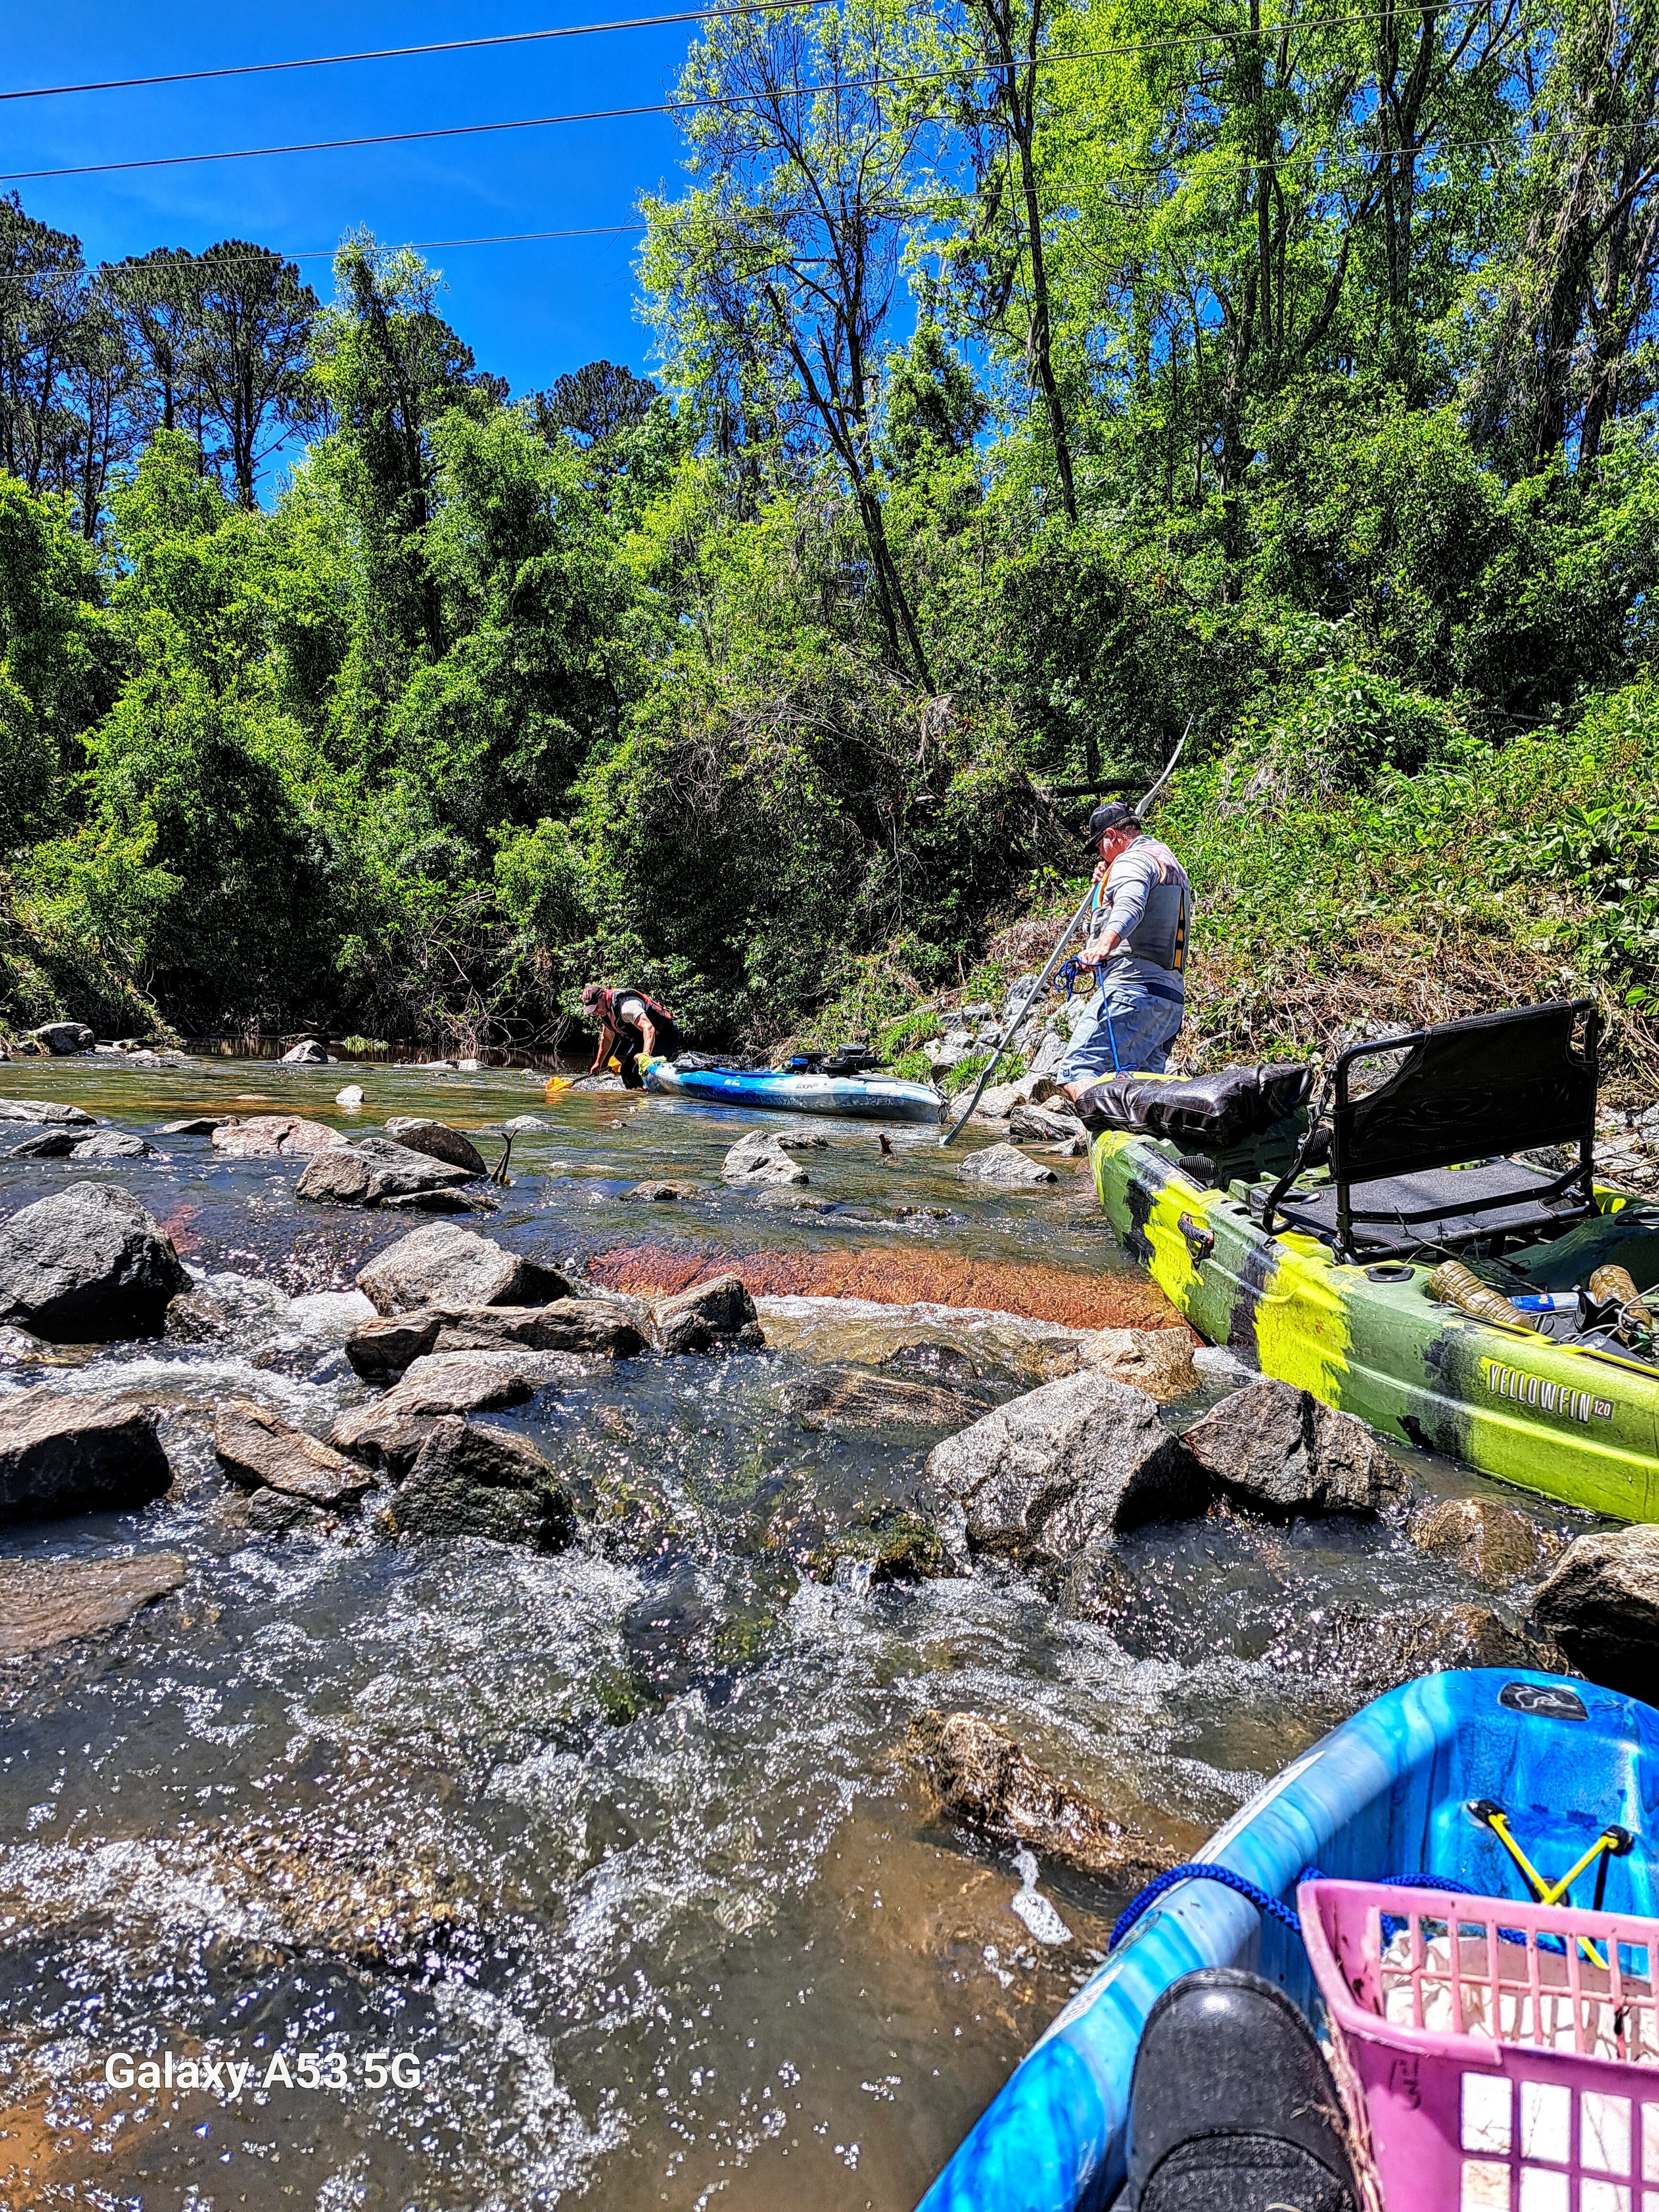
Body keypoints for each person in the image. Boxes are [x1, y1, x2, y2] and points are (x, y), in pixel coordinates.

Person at [1058, 799, 1193, 1098]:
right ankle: (1143, 1141)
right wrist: (1105, 885)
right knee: (1142, 1086)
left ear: (1111, 836)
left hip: (1132, 989)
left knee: (1076, 1071)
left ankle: (1107, 1127)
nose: (1099, 853)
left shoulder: (1131, 862)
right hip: (1169, 999)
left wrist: (1102, 947)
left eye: (1098, 845)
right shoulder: (1169, 863)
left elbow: (1130, 907)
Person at [580, 982, 685, 1090]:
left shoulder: (627, 1006)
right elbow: (607, 1038)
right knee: (627, 1070)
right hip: (643, 1038)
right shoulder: (605, 1012)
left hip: (665, 1035)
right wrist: (599, 1063)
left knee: (641, 1070)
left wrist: (645, 1055)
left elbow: (649, 1028)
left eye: (596, 1008)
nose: (596, 1012)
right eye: (593, 1011)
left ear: (603, 997)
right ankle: (635, 1099)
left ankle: (654, 1097)